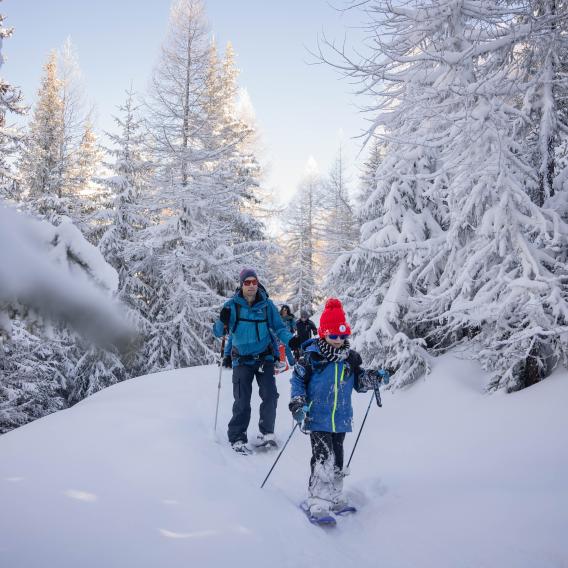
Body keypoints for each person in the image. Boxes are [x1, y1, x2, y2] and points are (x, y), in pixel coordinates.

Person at [289, 298, 389, 520]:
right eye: (333, 335)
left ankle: (334, 496)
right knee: (323, 457)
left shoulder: (350, 359)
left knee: (338, 458)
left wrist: (372, 379)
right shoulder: (311, 357)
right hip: (317, 416)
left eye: (342, 335)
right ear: (323, 333)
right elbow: (297, 380)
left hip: (341, 418)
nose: (338, 340)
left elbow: (359, 383)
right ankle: (317, 500)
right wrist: (298, 402)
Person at [213, 268, 300, 455]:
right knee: (242, 400)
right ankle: (237, 437)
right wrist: (222, 321)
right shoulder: (232, 306)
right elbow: (219, 332)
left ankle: (266, 433)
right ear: (241, 284)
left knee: (270, 395)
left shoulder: (266, 305)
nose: (251, 286)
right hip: (241, 360)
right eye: (247, 282)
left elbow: (279, 327)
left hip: (264, 358)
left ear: (258, 283)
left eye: (254, 282)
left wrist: (290, 340)